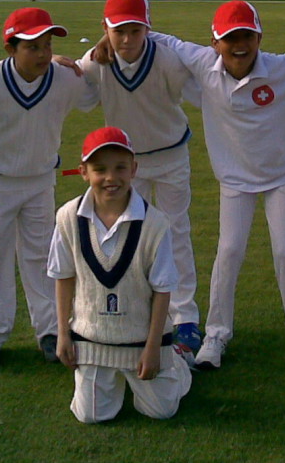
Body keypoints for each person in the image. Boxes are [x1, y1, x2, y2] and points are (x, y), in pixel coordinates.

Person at [128, 0, 285, 370]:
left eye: (247, 35)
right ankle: (216, 335)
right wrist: (103, 44)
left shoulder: (284, 67)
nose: (239, 45)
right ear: (215, 43)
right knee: (229, 251)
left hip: (281, 175)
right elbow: (159, 40)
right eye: (230, 38)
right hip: (234, 178)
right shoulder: (202, 64)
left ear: (259, 37)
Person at [77, 0, 203, 366]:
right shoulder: (95, 63)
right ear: (106, 29)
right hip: (126, 166)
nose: (128, 40)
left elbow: (211, 87)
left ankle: (185, 319)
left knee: (175, 233)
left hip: (171, 156)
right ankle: (136, 314)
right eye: (119, 31)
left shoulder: (168, 59)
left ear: (148, 28)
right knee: (130, 238)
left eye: (136, 30)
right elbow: (68, 92)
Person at [0, 7, 95, 369]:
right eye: (32, 47)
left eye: (46, 45)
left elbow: (93, 90)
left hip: (39, 179)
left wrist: (95, 52)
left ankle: (51, 330)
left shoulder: (65, 79)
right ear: (10, 48)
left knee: (42, 255)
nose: (42, 54)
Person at [47, 127, 191, 423]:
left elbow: (163, 289)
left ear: (134, 169)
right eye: (100, 169)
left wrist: (153, 349)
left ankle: (176, 365)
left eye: (120, 168)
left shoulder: (156, 224)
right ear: (83, 171)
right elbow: (63, 277)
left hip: (142, 340)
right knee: (91, 416)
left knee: (162, 411)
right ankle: (109, 379)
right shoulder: (67, 218)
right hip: (92, 339)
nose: (110, 178)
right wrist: (63, 334)